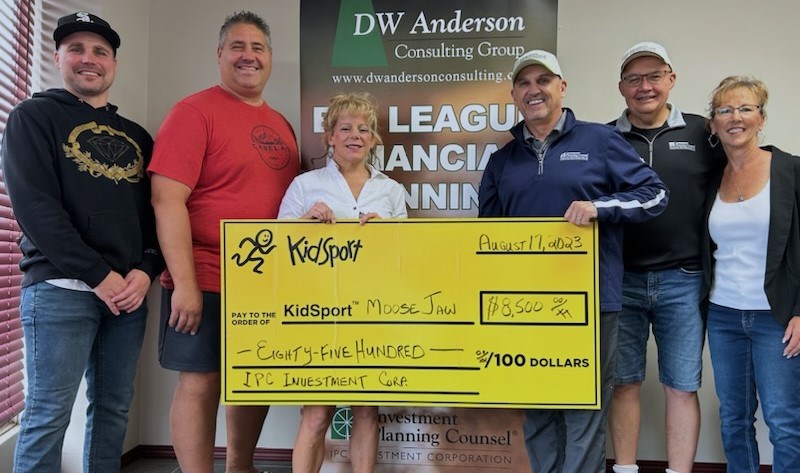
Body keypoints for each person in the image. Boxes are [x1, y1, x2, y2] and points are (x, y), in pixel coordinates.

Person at [478, 49, 668, 473]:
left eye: (543, 80)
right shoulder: (502, 160)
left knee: (586, 406)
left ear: (561, 87)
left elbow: (654, 194)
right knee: (537, 403)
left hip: (592, 302)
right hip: (523, 308)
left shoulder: (600, 140)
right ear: (513, 94)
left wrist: (600, 207)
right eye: (524, 83)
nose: (534, 90)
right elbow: (485, 235)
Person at [2, 12, 163, 472]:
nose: (89, 59)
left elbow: (155, 214)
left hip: (128, 297)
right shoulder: (32, 117)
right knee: (48, 416)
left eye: (100, 51)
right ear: (58, 58)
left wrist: (146, 269)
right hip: (59, 291)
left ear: (113, 63)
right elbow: (36, 210)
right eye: (77, 49)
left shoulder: (138, 137)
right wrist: (98, 275)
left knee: (113, 410)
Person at [148, 11, 299, 473]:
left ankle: (240, 466)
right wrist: (186, 286)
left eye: (257, 48)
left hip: (265, 280)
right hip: (206, 274)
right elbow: (165, 199)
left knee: (255, 377)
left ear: (270, 58)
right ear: (219, 56)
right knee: (201, 383)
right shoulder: (194, 112)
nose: (248, 56)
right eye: (237, 46)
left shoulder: (281, 125)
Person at [607, 42, 722, 473]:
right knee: (623, 384)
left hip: (684, 279)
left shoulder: (703, 133)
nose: (645, 87)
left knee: (681, 386)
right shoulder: (603, 138)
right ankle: (624, 469)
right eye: (634, 78)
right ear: (621, 87)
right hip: (622, 280)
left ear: (671, 80)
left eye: (654, 76)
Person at [278, 92, 407, 472]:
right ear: (330, 136)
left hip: (373, 312)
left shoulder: (392, 191)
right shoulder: (304, 185)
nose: (355, 135)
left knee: (366, 411)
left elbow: (407, 258)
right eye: (345, 127)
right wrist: (304, 222)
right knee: (317, 414)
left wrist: (388, 235)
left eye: (364, 129)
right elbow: (276, 249)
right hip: (319, 314)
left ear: (374, 138)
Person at [702, 76, 800, 473]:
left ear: (761, 118)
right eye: (724, 110)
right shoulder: (711, 178)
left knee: (784, 422)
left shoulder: (791, 171)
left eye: (745, 108)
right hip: (723, 316)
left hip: (775, 317)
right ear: (713, 124)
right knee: (734, 420)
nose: (735, 117)